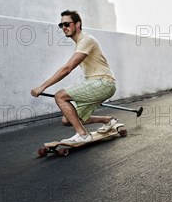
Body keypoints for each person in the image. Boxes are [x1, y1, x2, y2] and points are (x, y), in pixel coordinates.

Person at [31, 10, 121, 144]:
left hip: (104, 83)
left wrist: (42, 87)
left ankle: (83, 135)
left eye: (67, 24)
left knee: (60, 96)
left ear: (78, 24)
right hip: (99, 83)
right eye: (61, 25)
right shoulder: (80, 43)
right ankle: (108, 120)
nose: (64, 28)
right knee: (67, 119)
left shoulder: (86, 40)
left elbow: (67, 69)